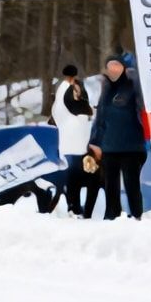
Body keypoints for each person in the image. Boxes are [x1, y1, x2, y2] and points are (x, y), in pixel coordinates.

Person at [87, 53, 146, 220]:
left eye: (117, 66)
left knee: (131, 184)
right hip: (109, 147)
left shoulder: (133, 87)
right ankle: (112, 214)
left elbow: (142, 110)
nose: (113, 69)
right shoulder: (105, 89)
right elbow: (100, 119)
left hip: (131, 147)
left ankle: (136, 215)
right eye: (110, 66)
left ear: (124, 68)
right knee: (110, 185)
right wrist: (94, 142)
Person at [51, 64, 98, 216]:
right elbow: (79, 107)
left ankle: (73, 205)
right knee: (75, 176)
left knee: (73, 175)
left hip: (69, 140)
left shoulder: (60, 90)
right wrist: (89, 108)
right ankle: (74, 206)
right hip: (75, 140)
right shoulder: (69, 90)